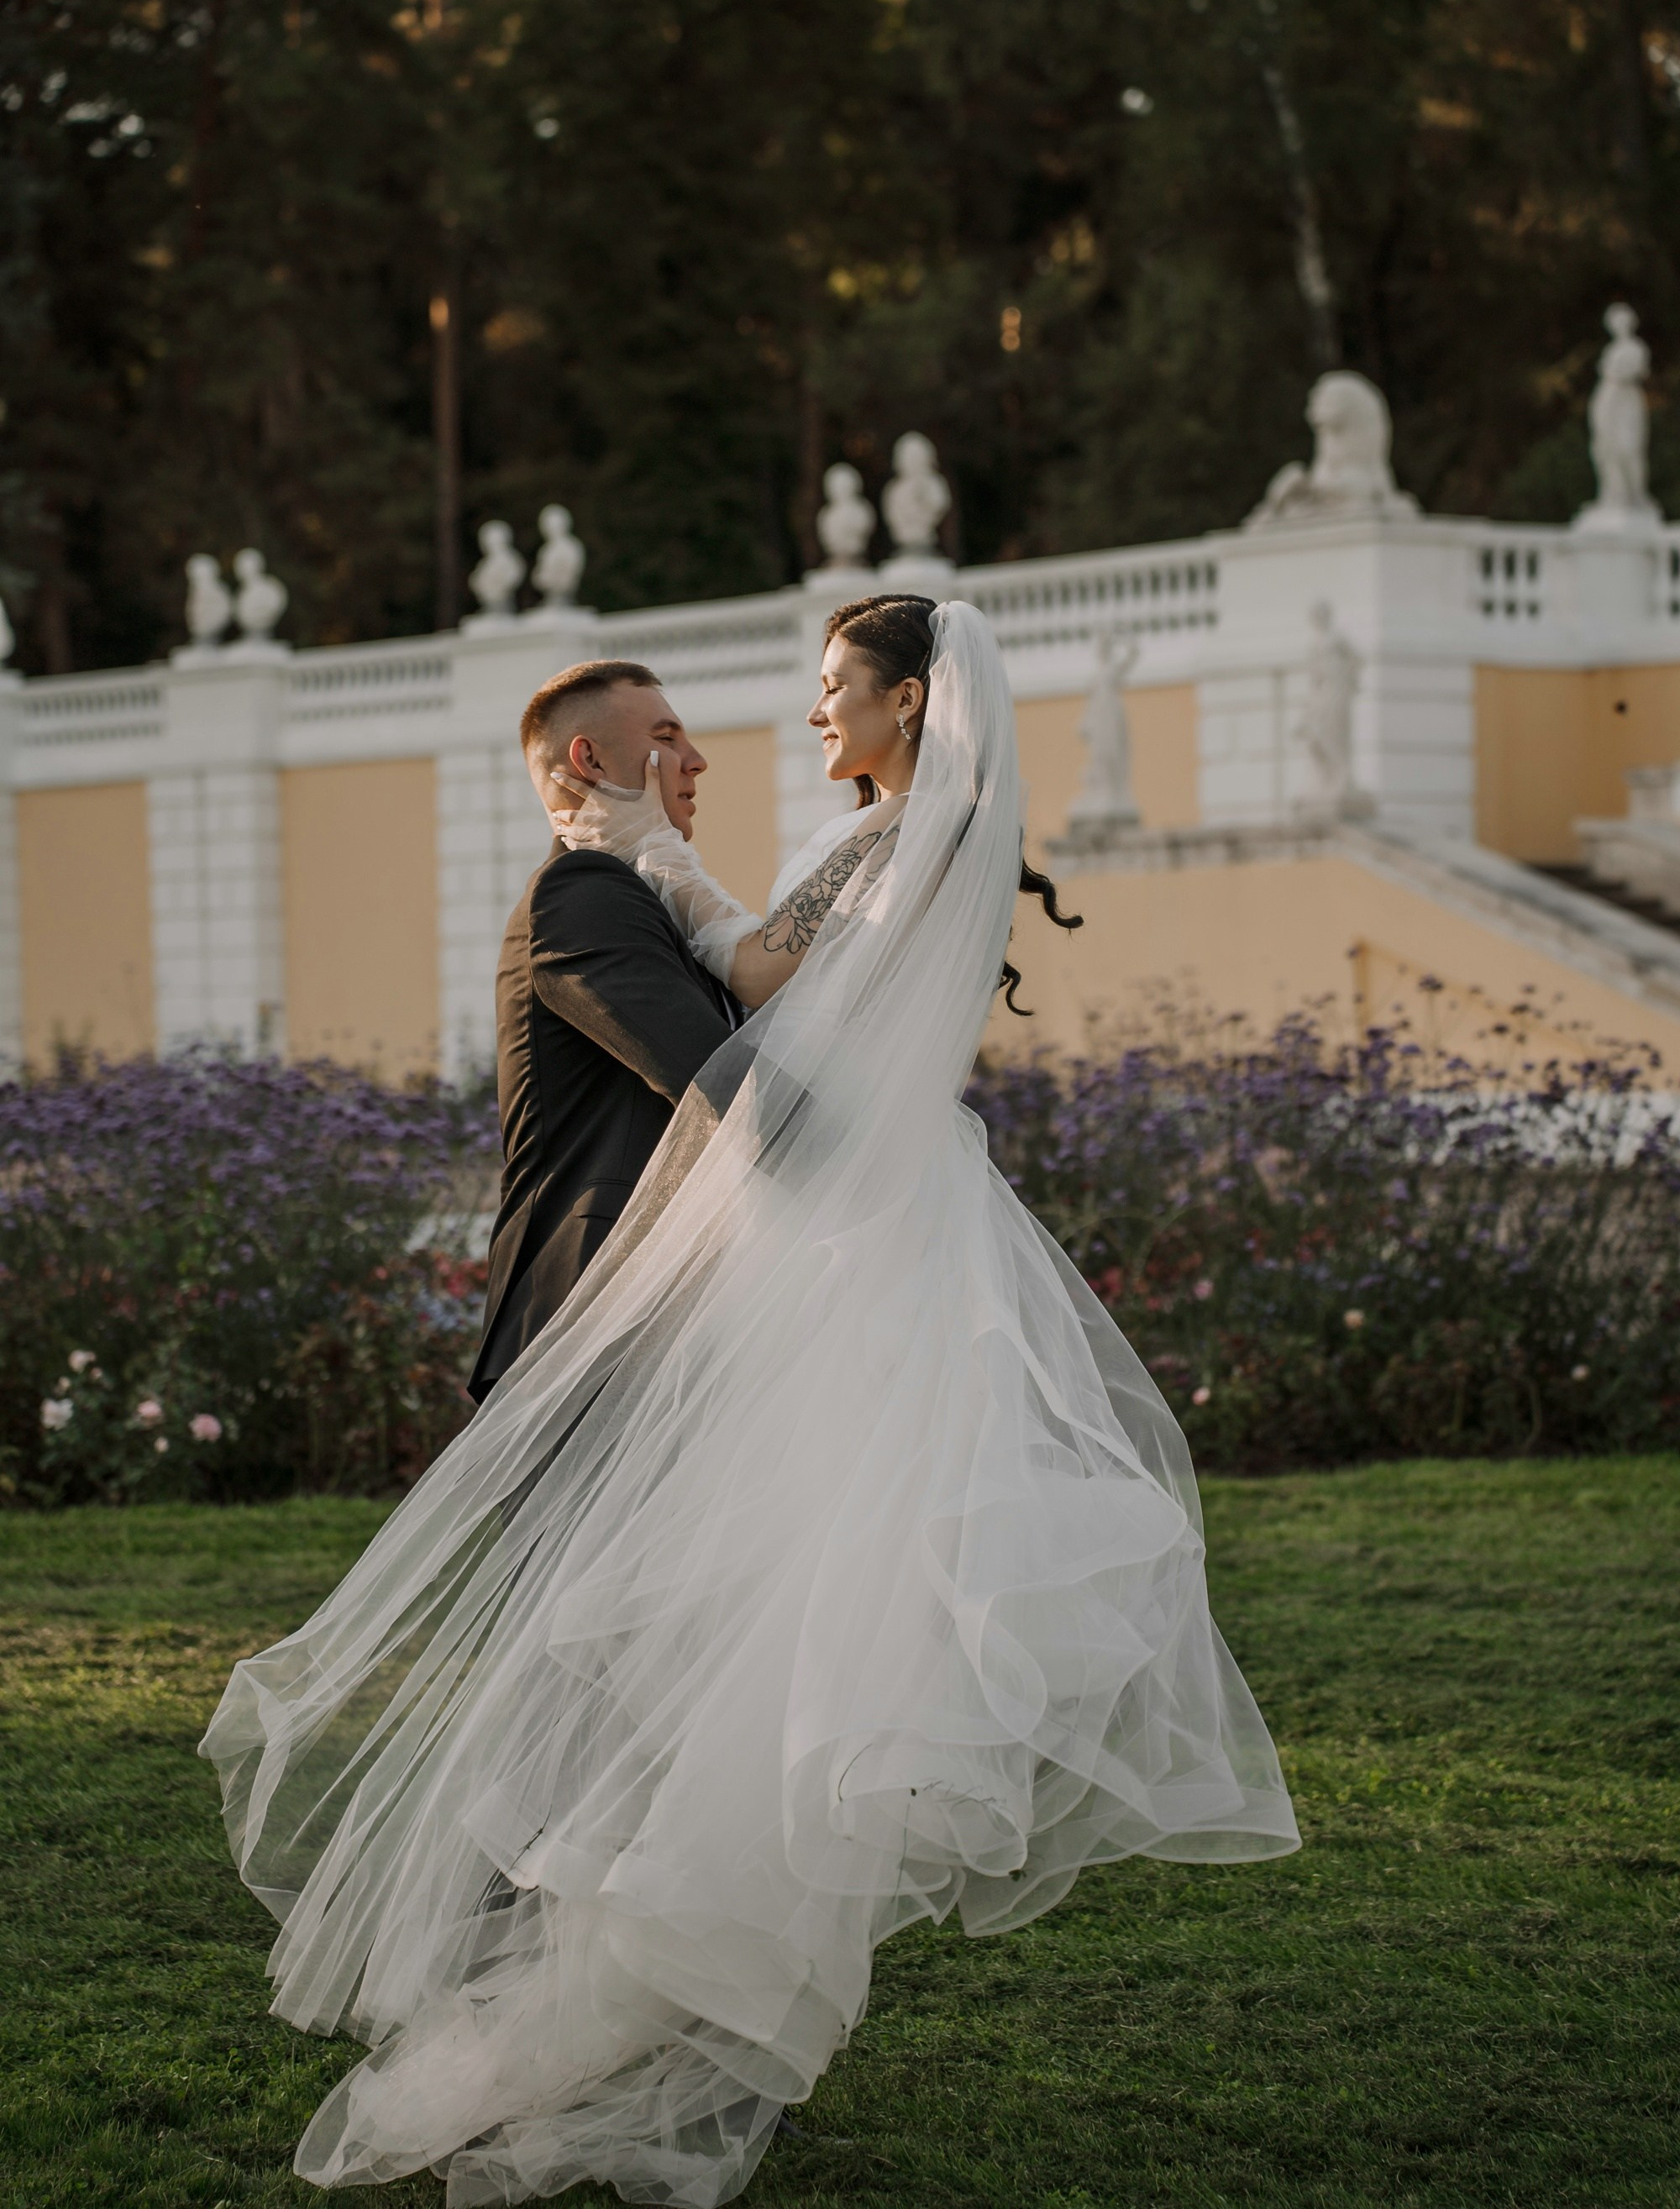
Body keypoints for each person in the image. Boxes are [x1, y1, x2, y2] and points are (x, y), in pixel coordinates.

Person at [202, 594, 1299, 2209]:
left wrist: (681, 888)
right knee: (650, 1651)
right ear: (593, 758)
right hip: (689, 1289)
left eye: (827, 691)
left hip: (775, 1274)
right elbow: (737, 1027)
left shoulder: (871, 846)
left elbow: (754, 999)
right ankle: (556, 1946)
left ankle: (563, 1967)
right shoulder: (610, 885)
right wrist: (655, 869)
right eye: (669, 737)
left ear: (911, 706)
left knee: (653, 1659)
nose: (771, 732)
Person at [470, 661, 738, 1404]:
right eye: (665, 735)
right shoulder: (580, 890)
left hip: (652, 1305)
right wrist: (886, 1155)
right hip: (591, 1305)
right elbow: (720, 1085)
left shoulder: (641, 897)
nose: (697, 759)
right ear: (587, 759)